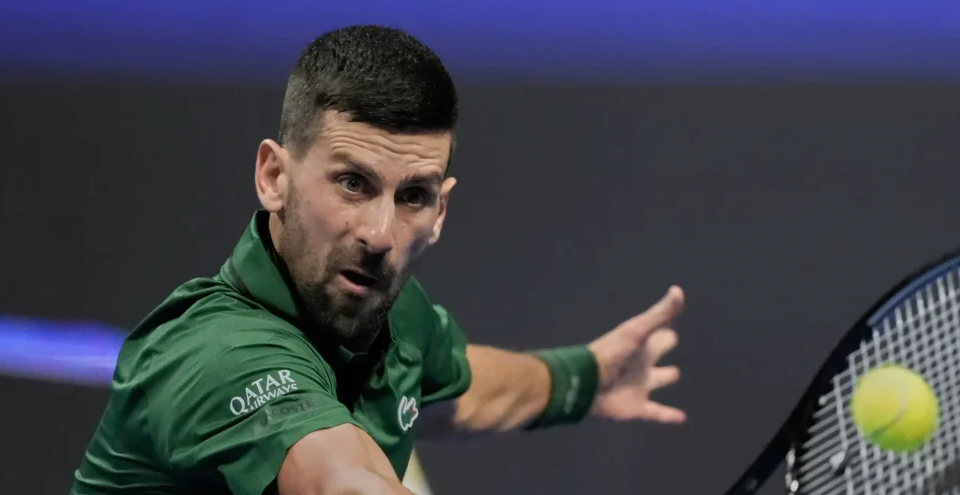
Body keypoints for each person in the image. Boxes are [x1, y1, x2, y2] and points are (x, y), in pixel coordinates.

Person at [70, 24, 685, 495]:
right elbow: (342, 481)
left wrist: (584, 378)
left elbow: (456, 390)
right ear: (274, 176)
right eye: (352, 183)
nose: (381, 234)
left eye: (413, 195)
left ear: (440, 210)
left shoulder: (384, 305)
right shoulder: (217, 354)